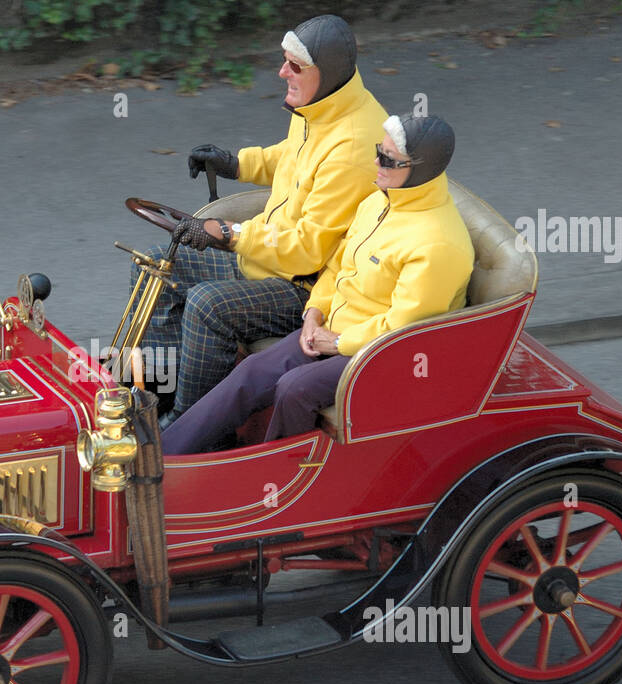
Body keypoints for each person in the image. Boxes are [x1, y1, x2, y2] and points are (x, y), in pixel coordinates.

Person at [161, 112, 474, 456]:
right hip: (333, 332)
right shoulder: (377, 202)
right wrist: (314, 312)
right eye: (377, 150)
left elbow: (401, 329)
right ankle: (167, 454)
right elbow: (338, 266)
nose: (375, 162)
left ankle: (272, 479)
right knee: (252, 373)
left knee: (295, 388)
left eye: (387, 158)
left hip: (381, 356)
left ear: (420, 170)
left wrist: (338, 342)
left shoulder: (438, 244)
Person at [126, 14, 387, 425]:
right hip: (268, 259)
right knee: (158, 264)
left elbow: (306, 251)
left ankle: (188, 426)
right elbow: (290, 158)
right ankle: (155, 397)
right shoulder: (321, 106)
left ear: (327, 72)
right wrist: (235, 164)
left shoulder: (352, 144)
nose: (282, 72)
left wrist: (229, 233)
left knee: (207, 305)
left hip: (306, 286)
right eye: (284, 61)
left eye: (295, 66)